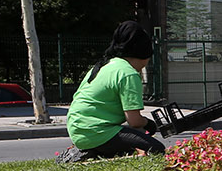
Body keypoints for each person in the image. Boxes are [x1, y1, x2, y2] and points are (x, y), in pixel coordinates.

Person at [62, 22, 165, 160]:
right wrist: (150, 124)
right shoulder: (128, 73)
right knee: (158, 149)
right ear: (144, 53)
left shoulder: (104, 64)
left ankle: (92, 151)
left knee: (130, 141)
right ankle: (94, 153)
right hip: (98, 132)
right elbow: (134, 121)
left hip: (77, 130)